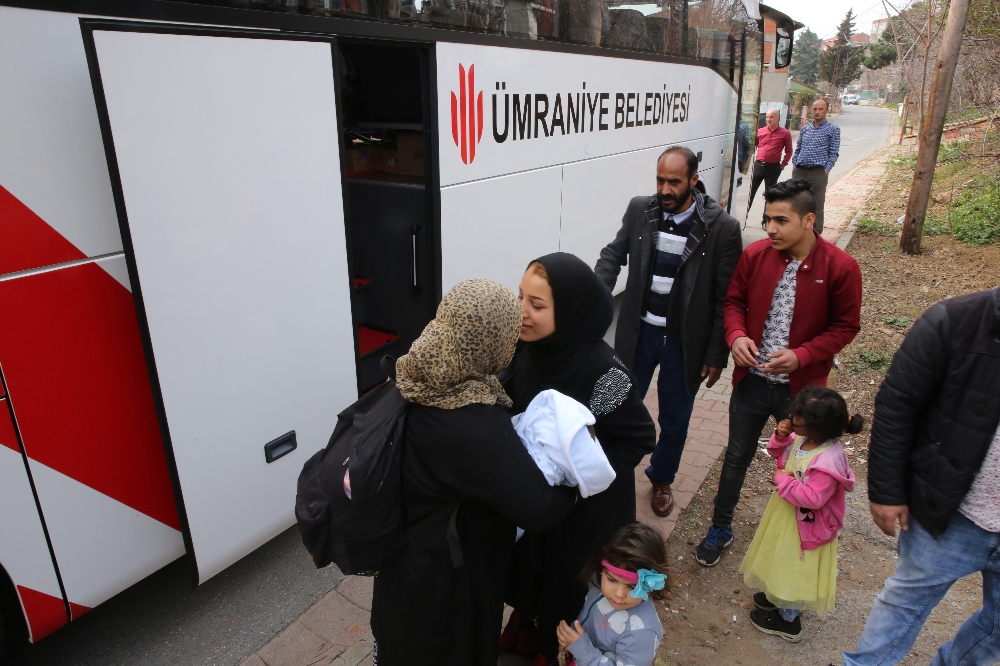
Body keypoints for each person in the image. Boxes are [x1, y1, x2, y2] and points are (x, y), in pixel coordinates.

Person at [370, 279, 576, 666]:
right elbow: (540, 508)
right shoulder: (473, 424)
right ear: (491, 342)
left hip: (399, 574)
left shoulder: (410, 375)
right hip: (446, 595)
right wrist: (575, 484)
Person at [695, 179, 862, 567]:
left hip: (802, 394)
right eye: (767, 219)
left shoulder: (840, 267)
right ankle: (720, 527)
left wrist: (802, 356)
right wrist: (735, 336)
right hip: (751, 383)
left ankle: (794, 540)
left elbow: (845, 327)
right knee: (736, 456)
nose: (770, 228)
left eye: (781, 220)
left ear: (809, 220)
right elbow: (733, 300)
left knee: (799, 468)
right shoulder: (755, 255)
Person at [503, 252, 656, 666]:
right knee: (528, 568)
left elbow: (640, 436)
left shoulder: (603, 371)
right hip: (538, 497)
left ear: (569, 310)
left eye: (537, 305)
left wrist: (578, 480)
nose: (522, 312)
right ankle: (527, 626)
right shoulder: (531, 348)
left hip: (586, 509)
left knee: (564, 582)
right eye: (520, 298)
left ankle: (552, 649)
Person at [841, 287, 1000, 666]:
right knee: (904, 606)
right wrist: (887, 488)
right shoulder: (954, 321)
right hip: (951, 511)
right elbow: (898, 404)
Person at [594, 145, 742, 519]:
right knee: (612, 403)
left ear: (693, 180)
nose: (664, 189)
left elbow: (725, 297)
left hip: (682, 344)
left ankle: (662, 478)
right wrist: (593, 302)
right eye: (660, 180)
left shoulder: (722, 228)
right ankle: (605, 470)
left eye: (674, 182)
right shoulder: (640, 209)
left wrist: (714, 355)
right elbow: (613, 255)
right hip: (636, 335)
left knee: (675, 419)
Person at [740, 388, 861, 642]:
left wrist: (781, 481)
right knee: (782, 557)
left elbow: (813, 498)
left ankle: (788, 619)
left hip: (806, 526)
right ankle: (777, 594)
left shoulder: (827, 462)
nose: (791, 417)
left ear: (816, 427)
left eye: (798, 416)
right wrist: (781, 437)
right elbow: (780, 456)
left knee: (796, 567)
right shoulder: (802, 439)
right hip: (787, 517)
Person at [556, 522, 667, 666]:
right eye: (612, 579)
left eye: (632, 586)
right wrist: (572, 642)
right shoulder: (597, 583)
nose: (619, 594)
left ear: (651, 584)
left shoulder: (642, 632)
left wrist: (582, 650)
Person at [791, 98, 840, 233]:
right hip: (800, 171)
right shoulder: (806, 129)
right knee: (796, 202)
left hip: (818, 173)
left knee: (817, 205)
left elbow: (834, 153)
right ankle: (797, 232)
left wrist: (826, 170)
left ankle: (816, 236)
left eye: (821, 109)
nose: (817, 112)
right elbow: (798, 149)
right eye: (815, 109)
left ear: (827, 110)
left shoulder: (833, 129)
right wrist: (795, 164)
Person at [747, 108, 793, 210]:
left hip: (773, 168)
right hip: (758, 166)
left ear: (778, 118)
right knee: (750, 192)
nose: (768, 119)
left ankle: (766, 219)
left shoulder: (785, 133)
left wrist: (783, 164)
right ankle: (743, 217)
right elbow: (753, 146)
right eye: (767, 117)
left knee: (770, 194)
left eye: (771, 117)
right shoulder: (760, 131)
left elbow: (789, 151)